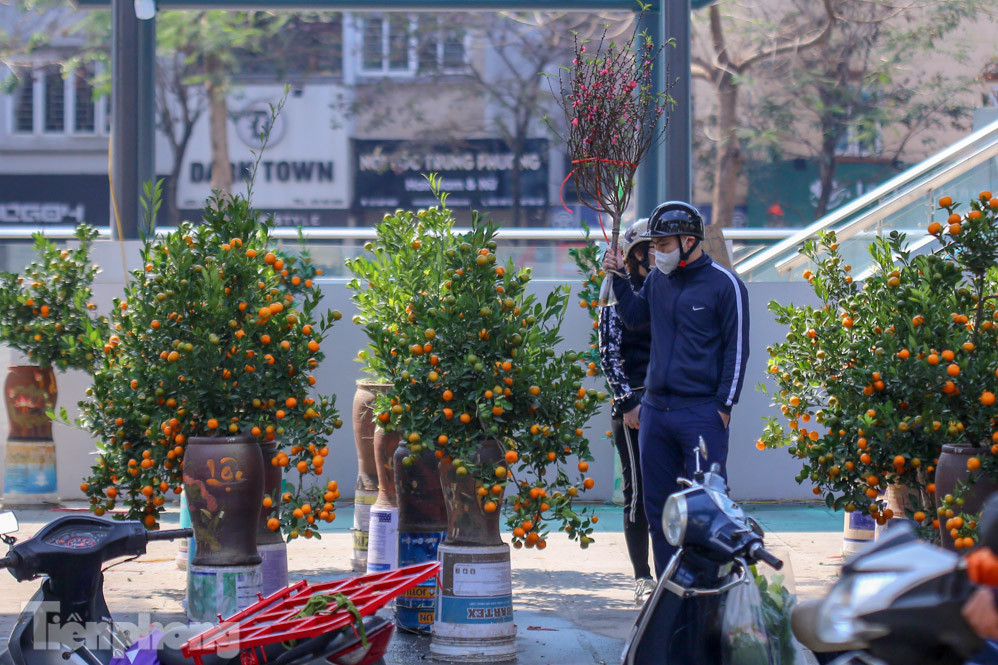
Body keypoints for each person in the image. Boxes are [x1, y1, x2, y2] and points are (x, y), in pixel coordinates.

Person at [601, 200, 750, 577]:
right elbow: (635, 319)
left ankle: (708, 592)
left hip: (701, 412)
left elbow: (738, 349)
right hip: (656, 411)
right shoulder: (658, 280)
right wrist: (618, 277)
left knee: (707, 507)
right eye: (655, 246)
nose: (657, 253)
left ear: (688, 241)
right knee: (659, 509)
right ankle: (669, 593)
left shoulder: (725, 284)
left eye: (664, 245)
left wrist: (723, 406)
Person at [598, 218, 654, 605]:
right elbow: (608, 353)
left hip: (672, 401)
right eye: (650, 246)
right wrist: (626, 402)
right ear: (634, 254)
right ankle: (643, 576)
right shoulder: (617, 291)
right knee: (638, 493)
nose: (657, 252)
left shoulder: (671, 288)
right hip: (634, 405)